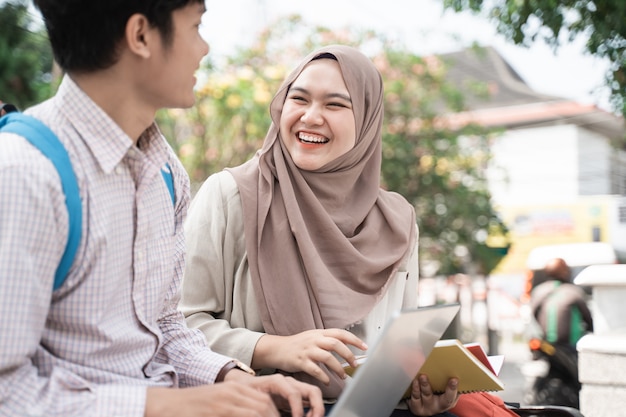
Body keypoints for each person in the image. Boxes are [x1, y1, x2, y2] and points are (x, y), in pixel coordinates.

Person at [0, 1, 324, 416]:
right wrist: (164, 406)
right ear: (140, 35)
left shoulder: (164, 171)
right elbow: (8, 390)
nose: (204, 48)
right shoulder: (25, 173)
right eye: (195, 26)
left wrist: (236, 380)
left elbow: (164, 327)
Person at [181, 44, 467, 416]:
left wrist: (418, 394)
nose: (310, 117)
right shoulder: (233, 196)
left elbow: (395, 351)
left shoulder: (397, 220)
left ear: (366, 119)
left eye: (334, 105)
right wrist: (271, 347)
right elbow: (178, 325)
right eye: (298, 99)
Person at [530, 257, 594, 348]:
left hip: (546, 344)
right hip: (570, 345)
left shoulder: (538, 291)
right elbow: (588, 319)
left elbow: (534, 314)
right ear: (565, 272)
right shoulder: (573, 292)